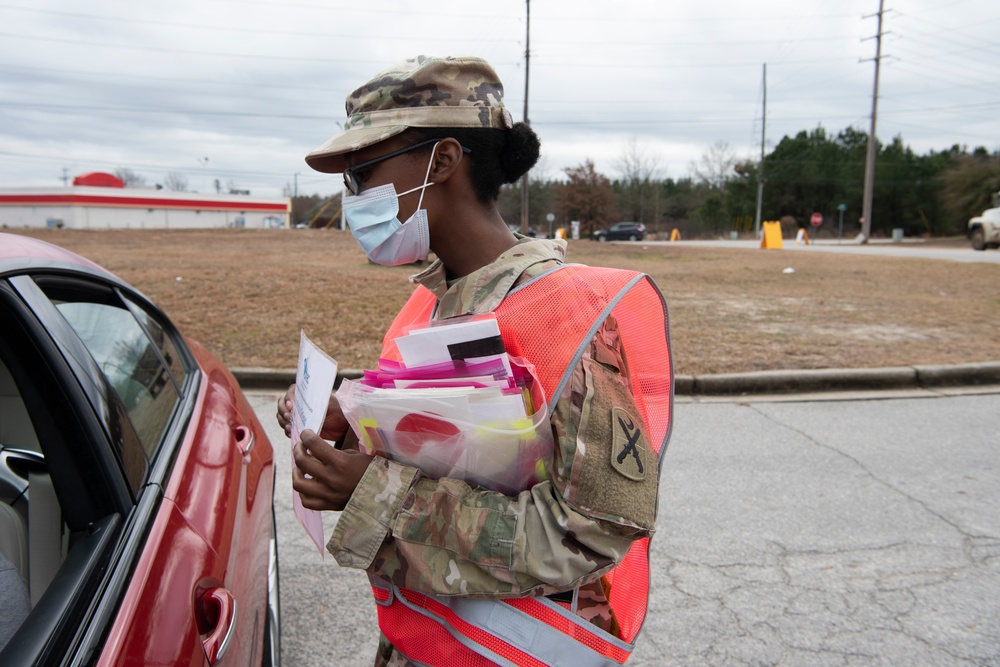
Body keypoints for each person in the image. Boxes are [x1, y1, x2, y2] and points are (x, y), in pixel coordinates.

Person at [277, 55, 673, 667]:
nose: (350, 197)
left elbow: (590, 535)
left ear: (441, 161)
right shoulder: (427, 302)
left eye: (361, 174)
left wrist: (374, 491)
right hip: (425, 643)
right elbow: (450, 450)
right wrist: (352, 430)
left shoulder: (569, 312)